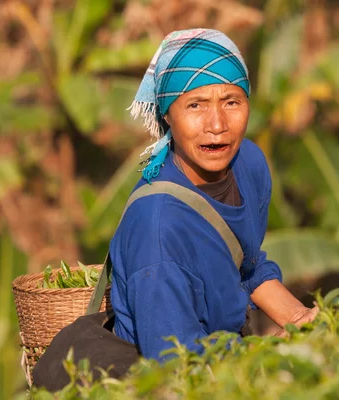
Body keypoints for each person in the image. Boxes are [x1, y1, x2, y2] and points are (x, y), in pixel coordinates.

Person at [109, 28, 319, 362]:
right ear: (167, 114)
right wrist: (270, 350)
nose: (217, 124)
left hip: (226, 353)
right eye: (196, 105)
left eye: (231, 102)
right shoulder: (158, 227)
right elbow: (174, 362)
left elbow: (244, 265)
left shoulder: (249, 164)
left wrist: (301, 320)